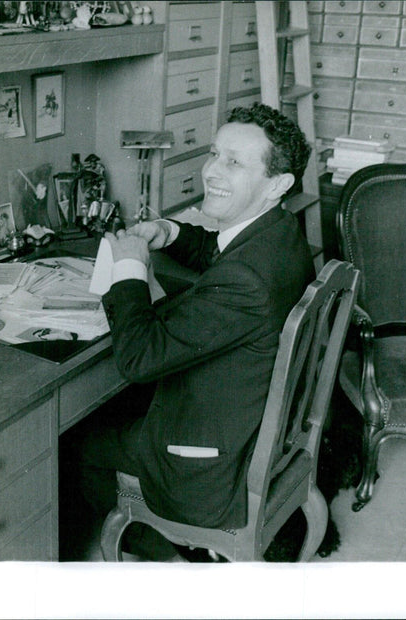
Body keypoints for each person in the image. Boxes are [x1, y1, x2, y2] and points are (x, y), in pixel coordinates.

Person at [61, 103, 315, 560]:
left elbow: (139, 359)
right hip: (244, 419)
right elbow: (223, 251)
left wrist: (130, 270)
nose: (211, 171)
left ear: (277, 184)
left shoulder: (247, 282)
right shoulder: (280, 232)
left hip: (210, 464)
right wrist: (169, 232)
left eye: (233, 163)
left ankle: (166, 553)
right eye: (214, 154)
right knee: (120, 411)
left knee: (77, 442)